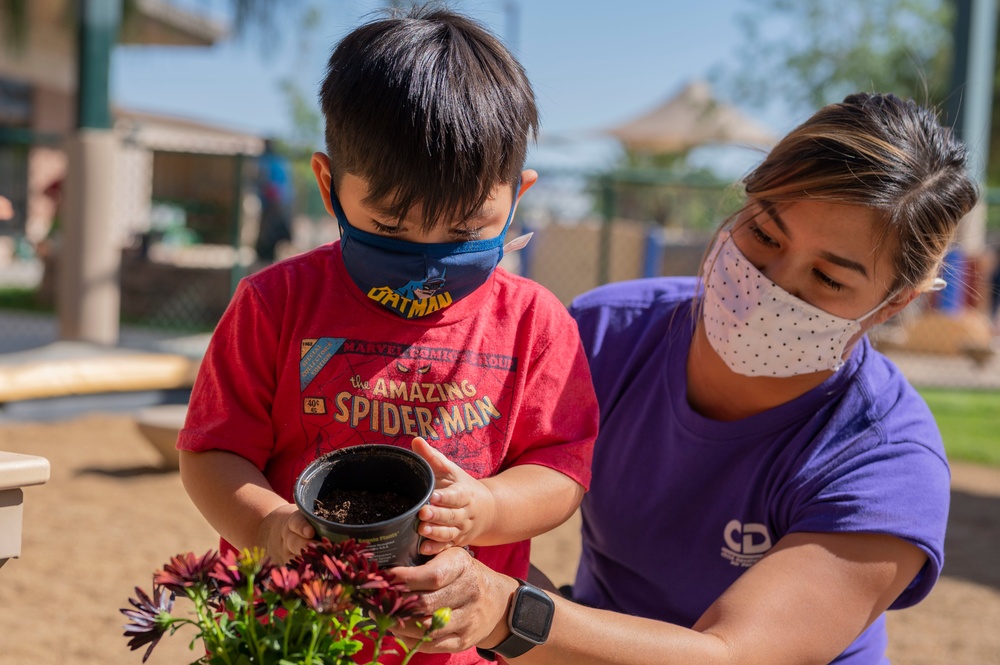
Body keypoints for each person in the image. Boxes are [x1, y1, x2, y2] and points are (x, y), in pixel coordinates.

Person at [390, 93, 979, 664]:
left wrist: (506, 613)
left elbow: (730, 655)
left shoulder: (888, 466)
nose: (771, 285)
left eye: (827, 279)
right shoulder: (598, 337)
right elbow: (458, 504)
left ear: (893, 304)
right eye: (765, 235)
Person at [176, 7, 598, 665]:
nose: (428, 255)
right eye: (393, 225)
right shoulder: (275, 304)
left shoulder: (536, 325)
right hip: (289, 640)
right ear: (329, 186)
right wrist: (267, 525)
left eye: (464, 231)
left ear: (516, 196)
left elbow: (560, 470)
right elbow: (211, 453)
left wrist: (486, 506)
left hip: (448, 647)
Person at [254, 138, 295, 262]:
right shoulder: (276, 161)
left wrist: (274, 201)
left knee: (271, 232)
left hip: (274, 202)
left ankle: (266, 258)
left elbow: (271, 184)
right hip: (273, 202)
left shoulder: (271, 161)